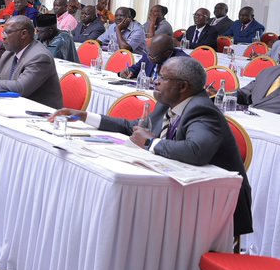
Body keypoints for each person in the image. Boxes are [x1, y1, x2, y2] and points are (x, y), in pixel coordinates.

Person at [50, 56, 252, 237]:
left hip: (215, 205)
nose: (156, 80)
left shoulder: (202, 110)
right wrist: (86, 116)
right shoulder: (168, 102)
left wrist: (149, 142)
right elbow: (134, 127)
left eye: (163, 78)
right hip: (181, 192)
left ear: (183, 86)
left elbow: (195, 151)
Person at [0, 15, 64, 109]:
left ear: (23, 34)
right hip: (13, 107)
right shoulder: (10, 52)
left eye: (7, 32)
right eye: (3, 32)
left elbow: (20, 88)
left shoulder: (40, 57)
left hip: (39, 114)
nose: (2, 37)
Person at [121, 33, 188, 82]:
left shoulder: (183, 62)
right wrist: (128, 72)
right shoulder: (149, 53)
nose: (149, 57)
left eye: (153, 56)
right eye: (148, 54)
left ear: (167, 53)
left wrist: (156, 81)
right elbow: (136, 69)